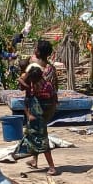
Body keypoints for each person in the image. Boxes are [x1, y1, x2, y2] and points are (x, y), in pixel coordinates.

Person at [12, 41, 58, 174]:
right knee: (34, 131)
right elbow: (55, 88)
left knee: (39, 133)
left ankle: (52, 167)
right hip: (47, 104)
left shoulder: (33, 68)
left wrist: (23, 80)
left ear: (38, 52)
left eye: (36, 48)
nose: (34, 50)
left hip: (37, 106)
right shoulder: (50, 69)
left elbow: (23, 87)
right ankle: (34, 160)